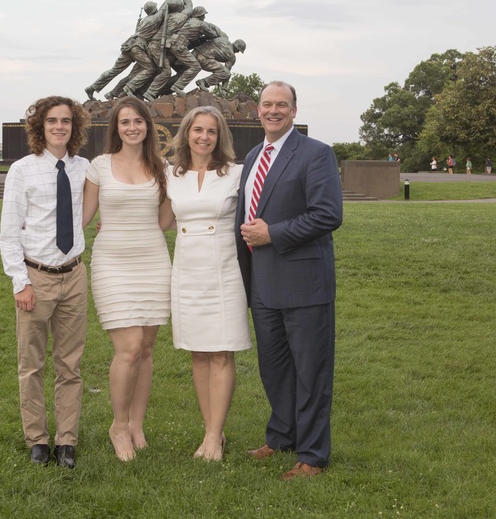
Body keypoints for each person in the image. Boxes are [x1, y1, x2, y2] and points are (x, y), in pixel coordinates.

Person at [236, 81, 342, 480]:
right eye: (267, 104)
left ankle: (313, 456)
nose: (273, 111)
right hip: (263, 284)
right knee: (275, 369)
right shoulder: (252, 156)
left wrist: (274, 234)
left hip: (304, 283)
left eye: (282, 105)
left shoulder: (316, 154)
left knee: (311, 373)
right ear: (257, 111)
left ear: (294, 111)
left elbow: (328, 214)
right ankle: (281, 436)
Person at [0, 95, 91, 469]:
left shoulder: (85, 168)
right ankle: (37, 439)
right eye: (52, 121)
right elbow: (8, 234)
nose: (59, 127)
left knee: (71, 366)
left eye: (66, 121)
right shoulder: (22, 170)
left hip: (74, 276)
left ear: (75, 126)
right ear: (40, 127)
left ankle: (66, 441)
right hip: (36, 276)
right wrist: (21, 282)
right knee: (31, 364)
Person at [159, 106, 251, 462]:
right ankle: (212, 431)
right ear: (187, 133)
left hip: (224, 268)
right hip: (187, 270)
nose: (203, 137)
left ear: (220, 137)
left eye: (211, 131)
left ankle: (213, 438)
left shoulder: (236, 174)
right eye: (198, 129)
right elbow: (162, 220)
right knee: (198, 352)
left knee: (221, 351)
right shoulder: (172, 175)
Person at [82, 97, 171, 461]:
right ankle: (118, 425)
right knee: (130, 347)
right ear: (115, 128)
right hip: (112, 263)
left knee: (146, 350)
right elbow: (83, 216)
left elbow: (166, 219)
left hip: (152, 260)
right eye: (124, 122)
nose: (132, 127)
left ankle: (137, 424)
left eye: (138, 121)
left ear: (147, 126)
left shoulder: (162, 166)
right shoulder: (99, 166)